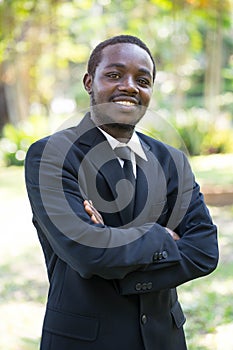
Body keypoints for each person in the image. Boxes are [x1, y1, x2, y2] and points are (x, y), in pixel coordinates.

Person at [25, 35, 218, 350]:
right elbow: (87, 255)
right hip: (87, 341)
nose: (130, 86)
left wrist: (108, 240)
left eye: (142, 80)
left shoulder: (172, 160)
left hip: (165, 339)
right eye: (114, 75)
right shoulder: (52, 154)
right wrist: (162, 237)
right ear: (90, 82)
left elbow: (204, 251)